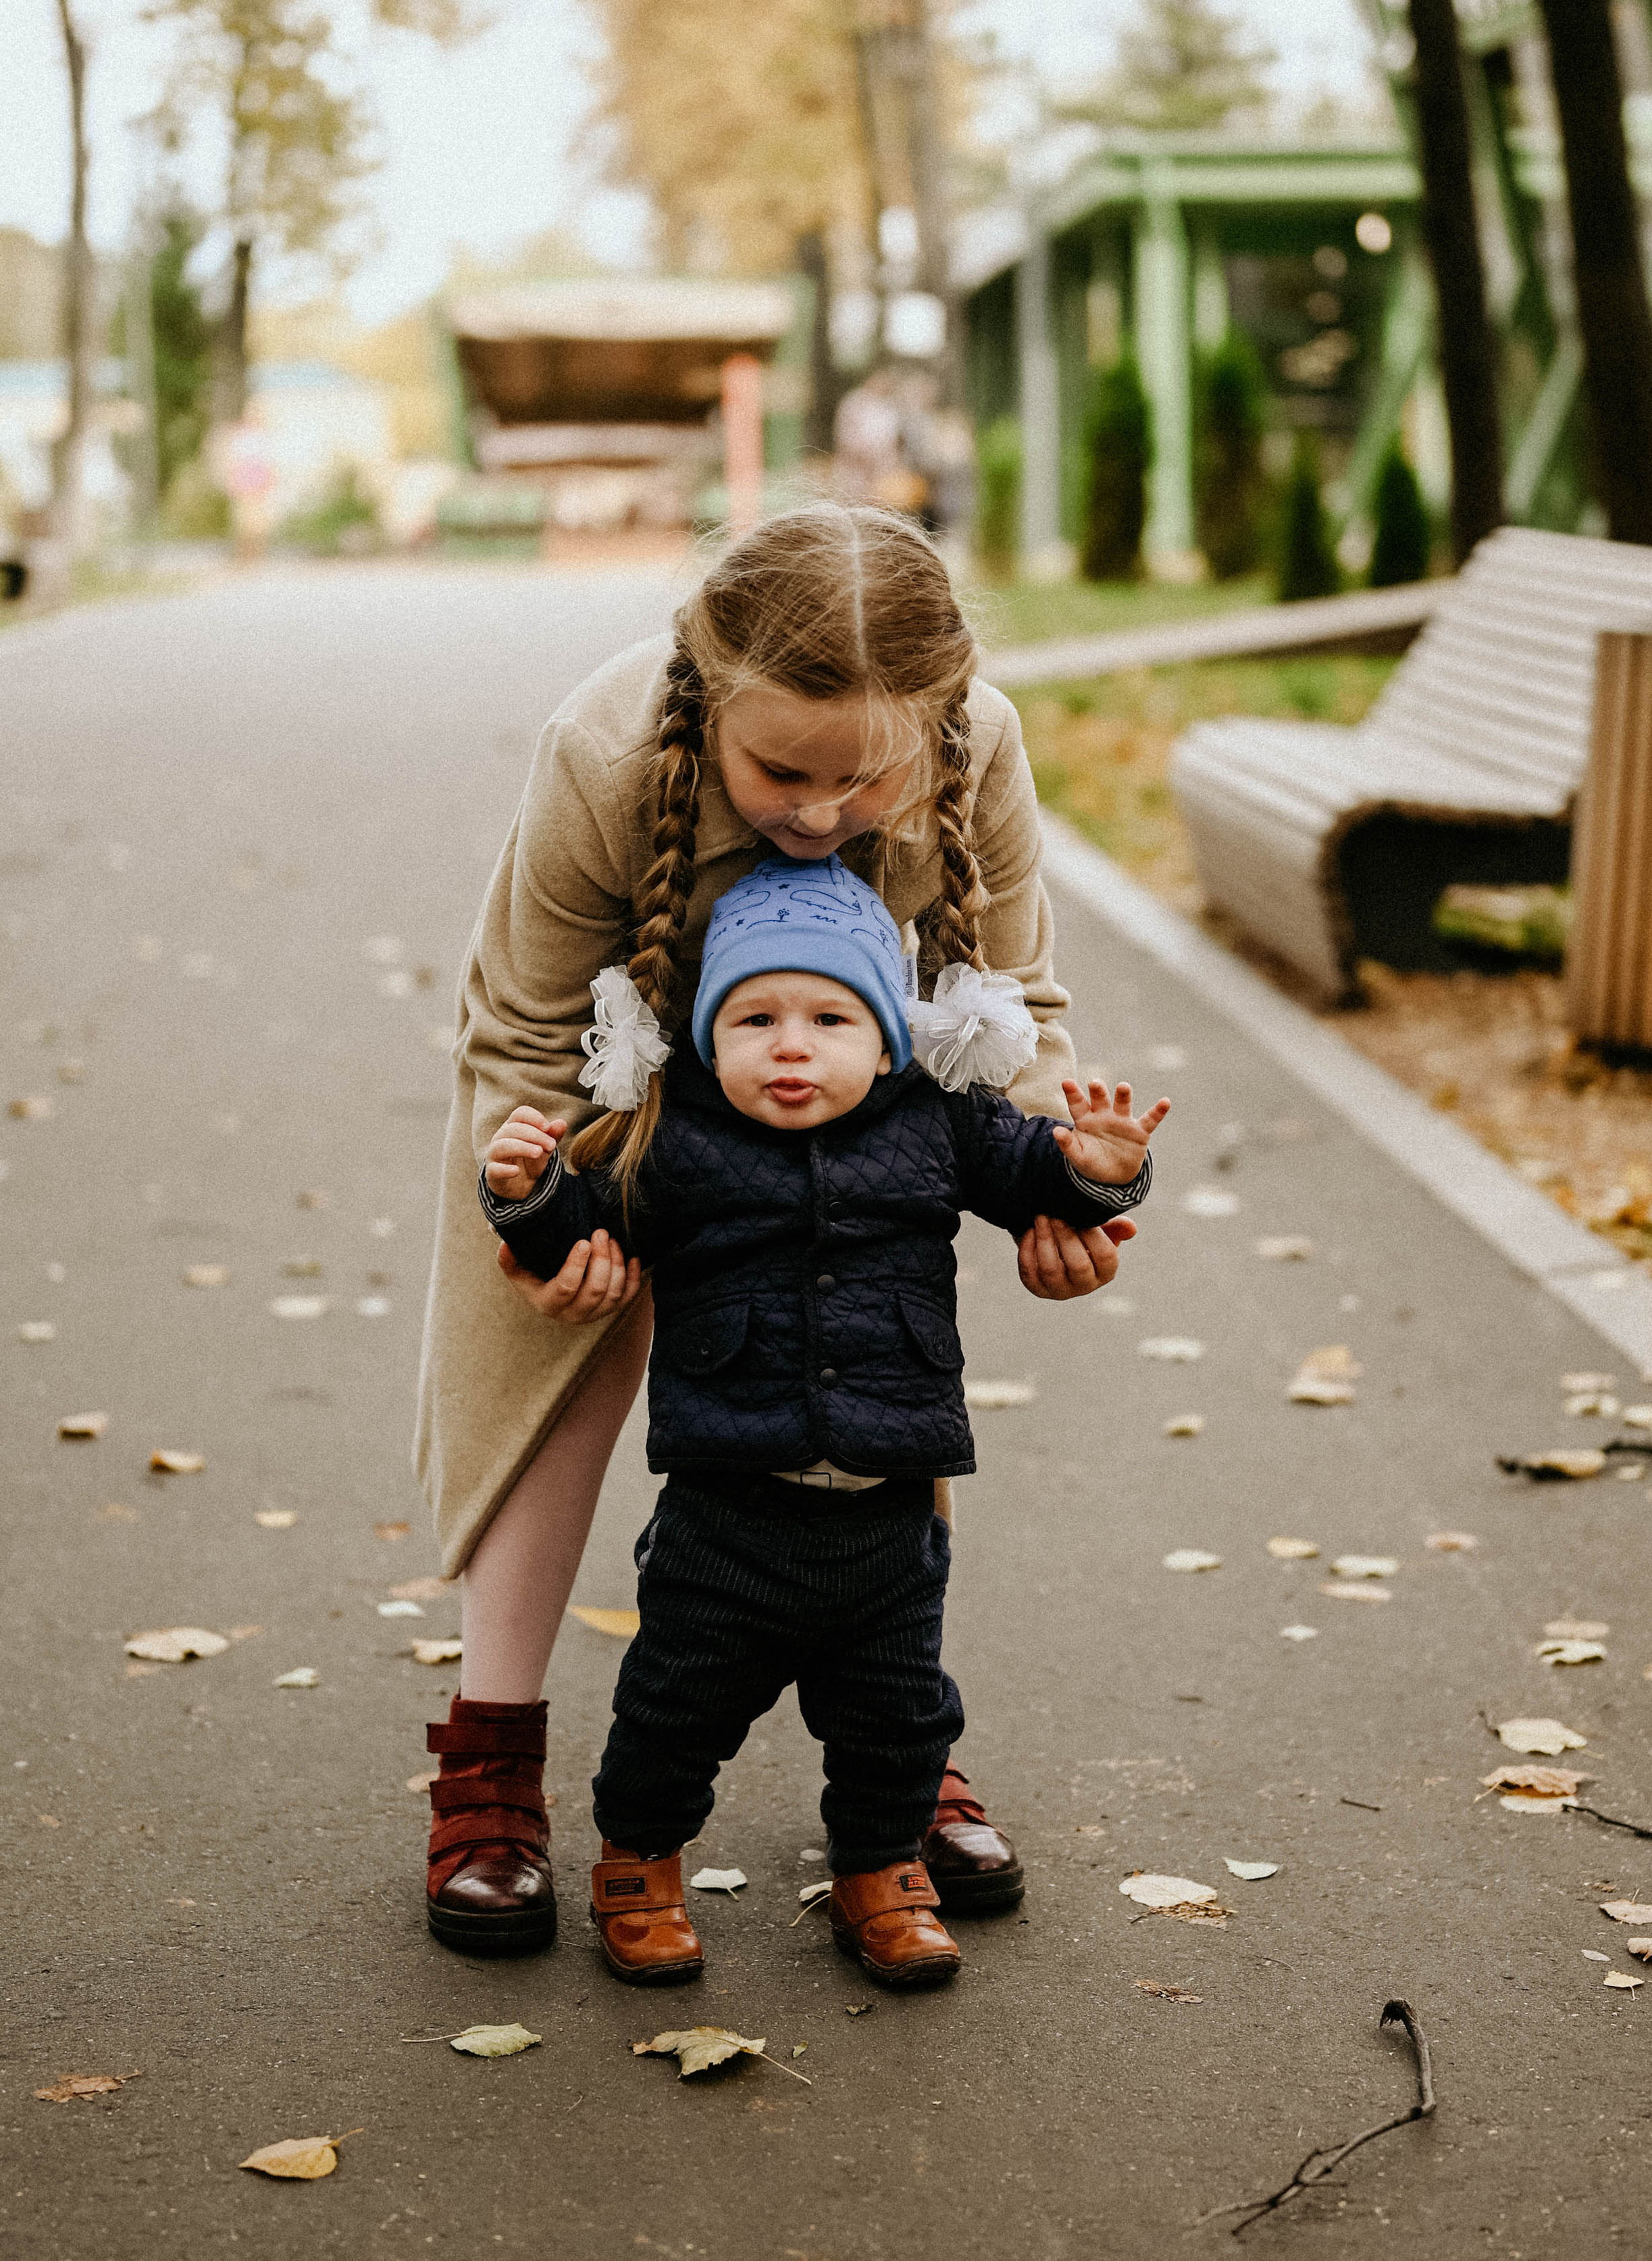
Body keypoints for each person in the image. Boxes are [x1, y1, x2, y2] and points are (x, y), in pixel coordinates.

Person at [415, 503, 1141, 1957]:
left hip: (864, 1080)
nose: (816, 813)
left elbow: (1019, 1005)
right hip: (609, 1080)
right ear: (709, 683)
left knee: (874, 1318)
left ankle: (897, 1754)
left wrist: (1065, 1193)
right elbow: (521, 1027)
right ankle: (489, 1760)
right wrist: (544, 1230)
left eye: (859, 778)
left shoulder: (977, 737)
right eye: (779, 772)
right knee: (556, 1343)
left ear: (932, 722)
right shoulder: (605, 743)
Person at [476, 854, 1166, 1989]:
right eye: (754, 1017)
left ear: (888, 1038)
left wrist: (1101, 1174)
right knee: (673, 1706)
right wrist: (529, 1195)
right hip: (726, 1509)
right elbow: (586, 1227)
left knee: (898, 1717)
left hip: (890, 1513)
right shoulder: (675, 1137)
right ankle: (640, 1862)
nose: (790, 1043)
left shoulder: (940, 1125)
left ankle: (880, 1872)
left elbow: (1045, 1179)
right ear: (706, 1039)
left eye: (828, 1017)